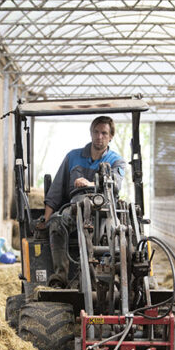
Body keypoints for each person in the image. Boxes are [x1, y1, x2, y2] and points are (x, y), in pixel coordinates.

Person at [40, 116, 127, 288]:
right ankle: (60, 277)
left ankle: (115, 276)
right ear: (91, 133)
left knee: (118, 233)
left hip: (104, 212)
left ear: (110, 137)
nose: (99, 136)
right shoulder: (72, 157)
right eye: (96, 132)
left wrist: (91, 184)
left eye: (104, 133)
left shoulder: (116, 161)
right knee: (57, 223)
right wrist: (46, 219)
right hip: (74, 209)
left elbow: (115, 185)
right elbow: (56, 190)